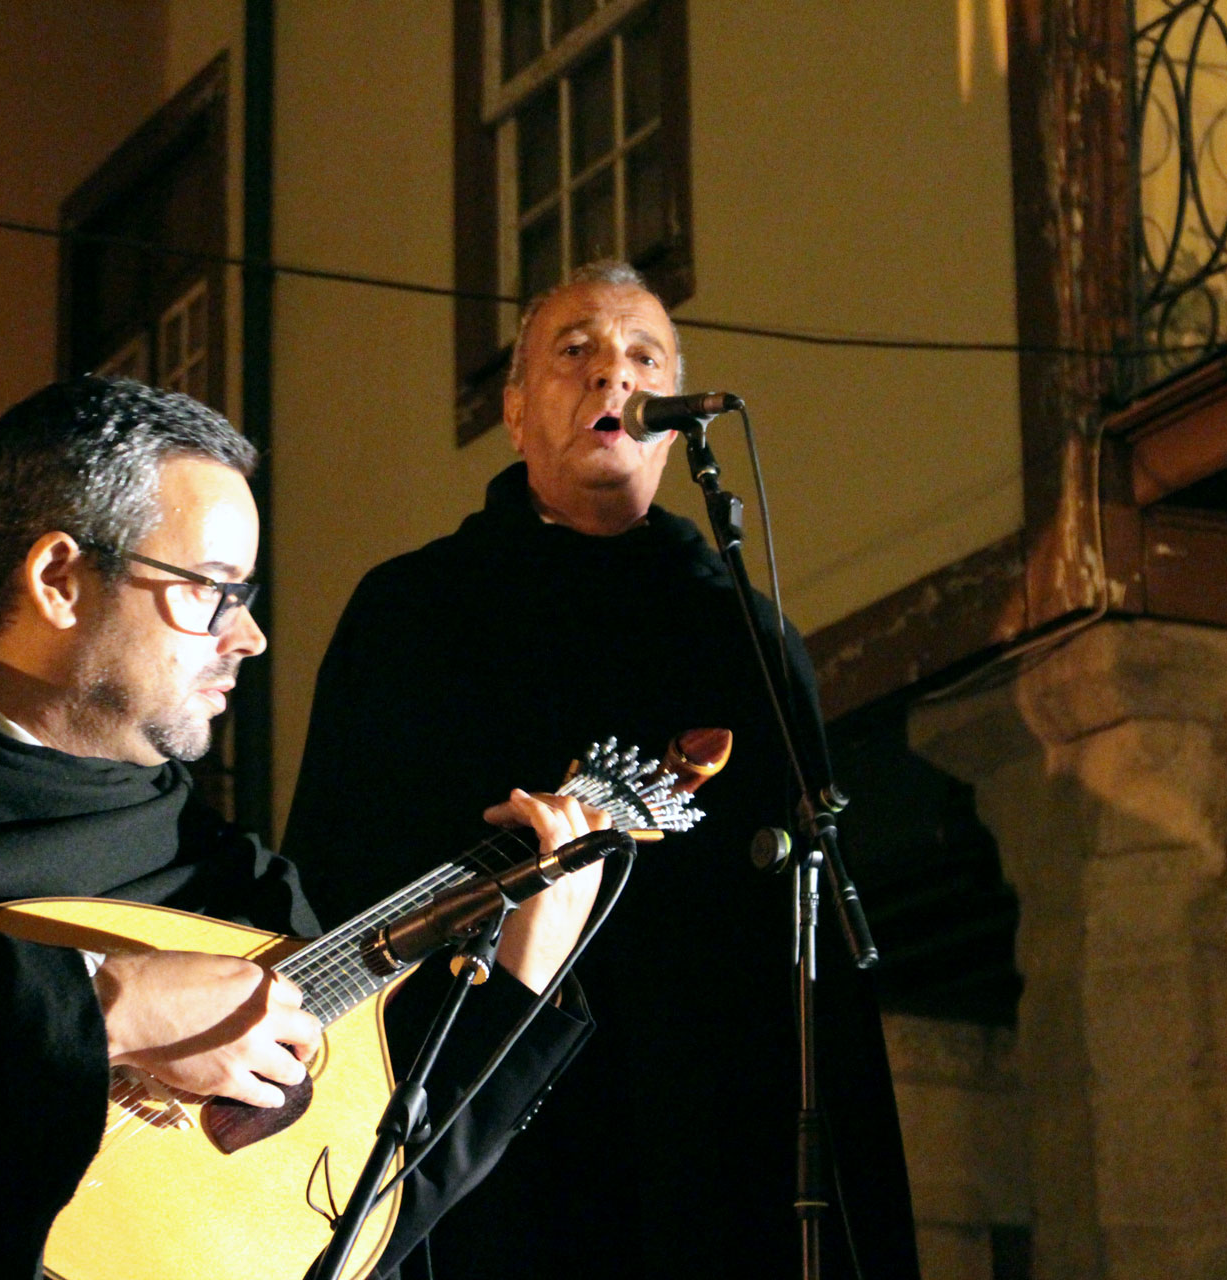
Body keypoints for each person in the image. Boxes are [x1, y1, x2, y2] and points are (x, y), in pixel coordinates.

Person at [0, 377, 606, 1280]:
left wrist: (518, 985)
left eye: (249, 594)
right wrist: (108, 1007)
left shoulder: (233, 885)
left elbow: (344, 1223)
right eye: (211, 586)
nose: (250, 635)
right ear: (60, 577)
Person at [284, 261, 922, 1279]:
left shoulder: (748, 638)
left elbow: (810, 966)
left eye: (643, 359)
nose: (611, 378)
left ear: (671, 421)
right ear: (514, 411)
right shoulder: (413, 614)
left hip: (708, 1146)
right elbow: (338, 878)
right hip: (489, 1134)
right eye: (574, 352)